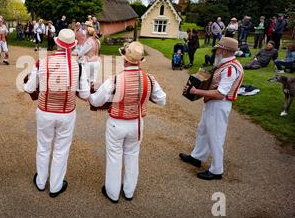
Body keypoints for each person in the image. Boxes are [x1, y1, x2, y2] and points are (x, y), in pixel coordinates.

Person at [89, 42, 166, 202]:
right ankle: (129, 191)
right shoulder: (149, 79)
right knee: (132, 155)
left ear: (124, 59)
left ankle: (112, 193)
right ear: (139, 61)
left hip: (117, 122)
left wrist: (92, 94)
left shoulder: (115, 80)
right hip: (137, 123)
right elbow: (162, 100)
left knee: (114, 156)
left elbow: (96, 101)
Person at [24, 29, 90, 198]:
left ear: (57, 43)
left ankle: (40, 182)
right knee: (61, 149)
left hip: (45, 111)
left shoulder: (42, 62)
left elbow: (29, 88)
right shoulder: (79, 65)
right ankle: (55, 186)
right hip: (67, 113)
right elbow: (84, 94)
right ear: (73, 45)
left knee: (43, 147)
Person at [180, 37, 244, 180]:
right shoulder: (227, 64)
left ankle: (216, 170)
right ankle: (197, 157)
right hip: (214, 103)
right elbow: (214, 84)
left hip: (219, 105)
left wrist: (196, 92)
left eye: (219, 49)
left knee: (215, 137)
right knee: (203, 129)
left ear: (225, 51)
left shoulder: (229, 68)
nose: (216, 51)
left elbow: (221, 94)